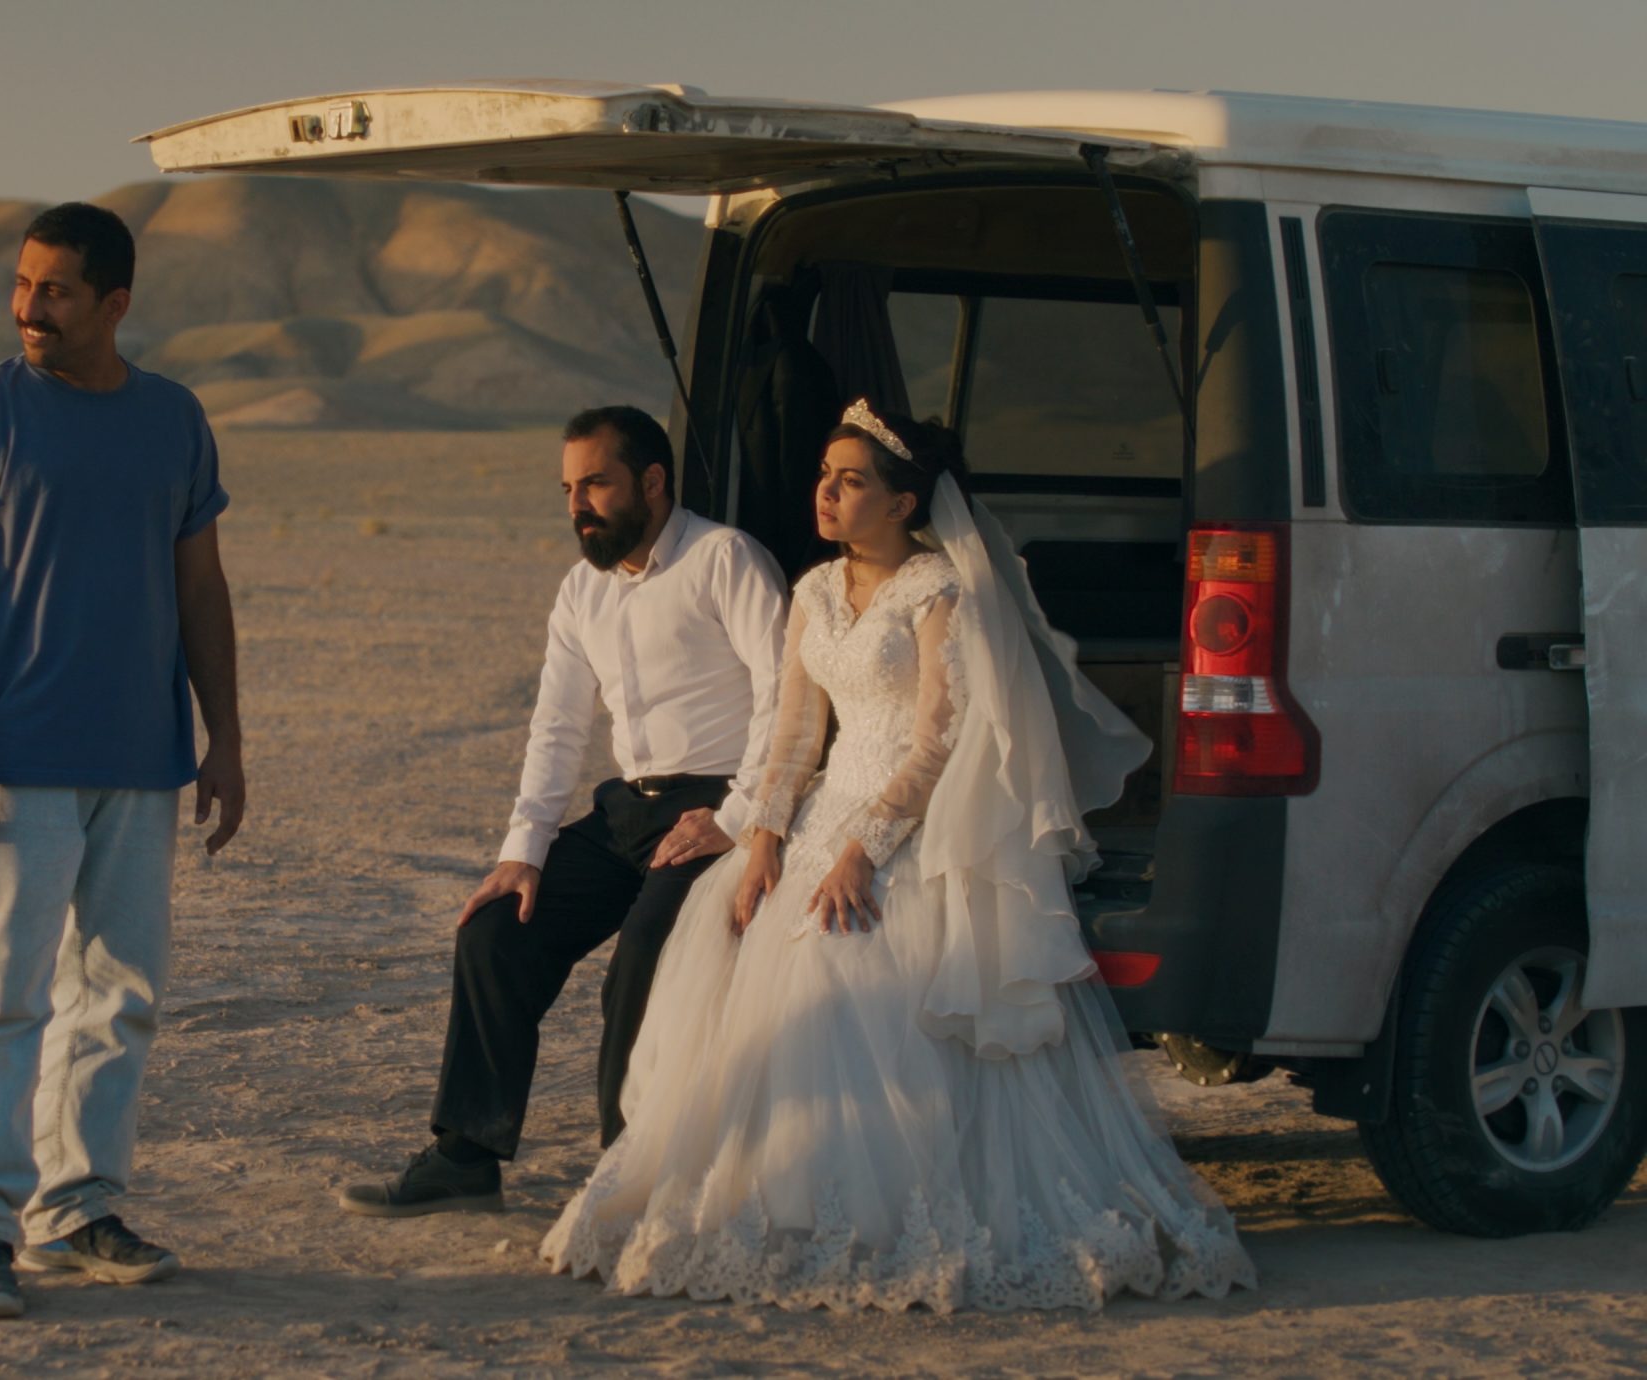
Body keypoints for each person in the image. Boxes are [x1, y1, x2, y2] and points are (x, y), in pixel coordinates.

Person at [540, 399, 1257, 1312]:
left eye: (851, 481)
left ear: (903, 501)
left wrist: (864, 853)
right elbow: (795, 736)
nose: (828, 493)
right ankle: (776, 1191)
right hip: (820, 813)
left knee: (855, 967)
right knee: (745, 947)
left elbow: (936, 742)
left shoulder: (938, 594)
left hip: (911, 825)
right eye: (824, 477)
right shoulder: (809, 592)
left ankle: (886, 1210)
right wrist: (763, 842)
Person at [0, 201, 244, 1321]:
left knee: (117, 995)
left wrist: (224, 738)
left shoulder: (173, 420)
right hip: (16, 758)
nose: (27, 308)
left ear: (115, 304)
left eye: (52, 290)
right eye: (20, 285)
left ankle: (77, 1203)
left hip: (142, 760)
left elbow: (201, 585)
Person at [339, 405, 787, 1217]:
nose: (577, 505)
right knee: (494, 931)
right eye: (567, 489)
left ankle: (630, 1177)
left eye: (595, 485)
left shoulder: (726, 559)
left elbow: (783, 695)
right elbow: (557, 726)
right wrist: (525, 851)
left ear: (652, 483)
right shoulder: (582, 590)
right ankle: (465, 1157)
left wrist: (739, 812)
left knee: (640, 965)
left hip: (718, 807)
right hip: (628, 813)